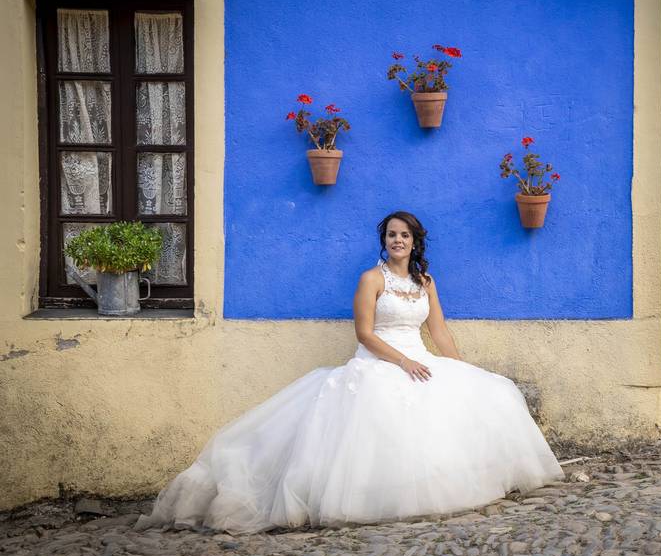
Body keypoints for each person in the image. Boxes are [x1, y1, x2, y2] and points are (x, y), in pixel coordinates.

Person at [136, 211, 564, 533]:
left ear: (415, 242)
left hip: (419, 359)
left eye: (404, 235)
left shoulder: (426, 282)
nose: (398, 240)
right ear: (385, 241)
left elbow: (438, 330)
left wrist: (459, 367)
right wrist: (402, 362)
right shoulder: (370, 280)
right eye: (391, 235)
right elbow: (365, 334)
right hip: (379, 361)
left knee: (485, 393)